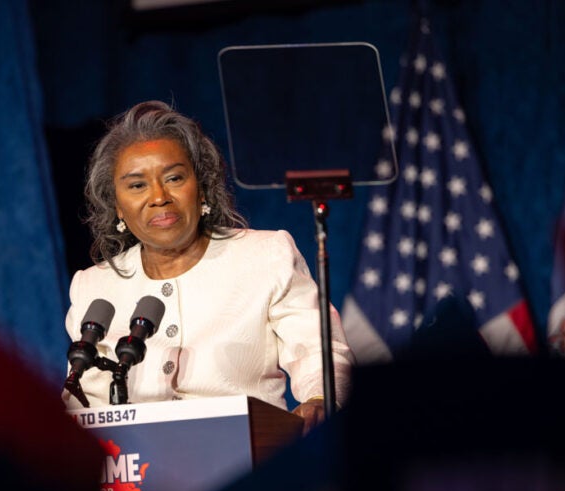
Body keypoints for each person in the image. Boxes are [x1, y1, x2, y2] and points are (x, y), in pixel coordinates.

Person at [62, 100, 353, 433]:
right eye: (137, 185)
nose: (159, 197)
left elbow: (320, 352)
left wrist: (319, 398)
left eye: (174, 178)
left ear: (201, 188)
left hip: (251, 454)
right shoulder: (94, 287)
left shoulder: (265, 257)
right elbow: (82, 403)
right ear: (117, 206)